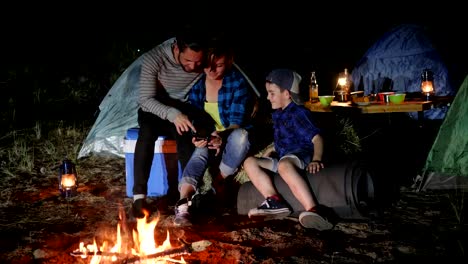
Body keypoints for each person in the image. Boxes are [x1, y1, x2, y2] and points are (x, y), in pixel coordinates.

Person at [131, 26, 210, 219]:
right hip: (154, 106)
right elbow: (145, 99)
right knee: (147, 132)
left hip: (184, 107)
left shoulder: (204, 60)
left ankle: (185, 196)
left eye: (198, 62)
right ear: (176, 49)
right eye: (188, 61)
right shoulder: (154, 58)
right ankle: (139, 198)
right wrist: (172, 114)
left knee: (185, 136)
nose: (193, 67)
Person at [173, 40, 254, 226]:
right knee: (200, 152)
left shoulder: (237, 83)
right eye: (208, 66)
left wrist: (221, 137)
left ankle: (219, 180)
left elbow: (236, 123)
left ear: (229, 61)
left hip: (229, 135)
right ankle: (183, 203)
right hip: (208, 136)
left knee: (242, 137)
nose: (212, 71)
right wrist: (198, 137)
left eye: (218, 66)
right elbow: (194, 117)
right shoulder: (197, 85)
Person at [243, 68, 333, 231]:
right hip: (285, 157)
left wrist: (316, 159)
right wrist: (271, 148)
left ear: (287, 93)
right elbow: (286, 137)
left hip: (301, 156)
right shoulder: (279, 113)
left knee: (284, 165)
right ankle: (274, 200)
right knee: (250, 162)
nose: (268, 97)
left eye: (272, 93)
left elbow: (317, 138)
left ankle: (314, 209)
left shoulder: (298, 113)